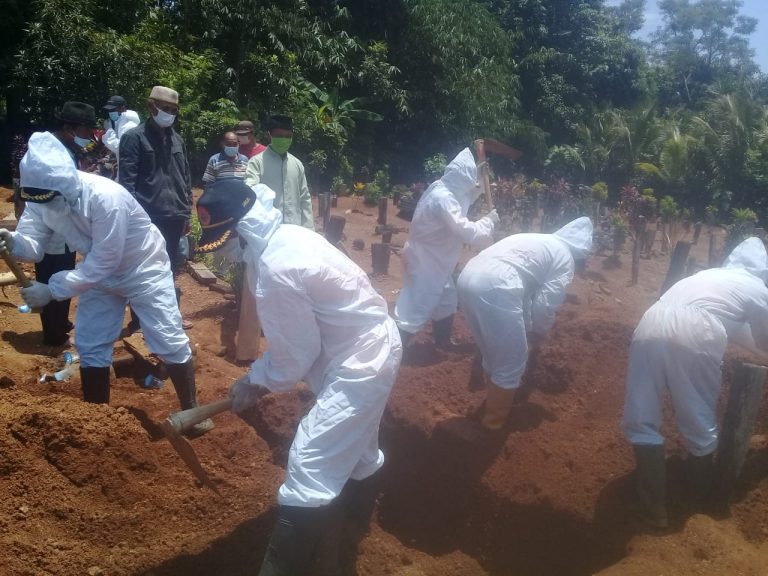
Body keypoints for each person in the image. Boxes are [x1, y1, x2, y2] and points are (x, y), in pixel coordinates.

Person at [195, 178, 402, 575]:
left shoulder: (278, 269)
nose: (226, 251)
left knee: (309, 461)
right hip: (357, 348)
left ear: (243, 230)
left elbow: (292, 361)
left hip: (361, 361)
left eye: (227, 240)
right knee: (358, 449)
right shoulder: (286, 236)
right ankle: (354, 526)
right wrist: (259, 377)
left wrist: (253, 380)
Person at [0, 132, 212, 435]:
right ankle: (96, 422)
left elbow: (105, 260)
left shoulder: (105, 198)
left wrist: (52, 290)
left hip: (142, 267)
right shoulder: (40, 197)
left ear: (66, 184)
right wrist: (14, 241)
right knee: (90, 341)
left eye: (50, 199)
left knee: (166, 336)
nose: (45, 207)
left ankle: (192, 413)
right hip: (98, 272)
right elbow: (33, 244)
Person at [621, 237, 768, 529]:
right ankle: (696, 503)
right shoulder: (758, 289)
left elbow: (731, 324)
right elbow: (764, 339)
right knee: (698, 418)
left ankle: (654, 513)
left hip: (650, 322)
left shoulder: (705, 276)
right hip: (696, 330)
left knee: (641, 416)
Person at [457, 217, 593, 430]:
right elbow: (545, 305)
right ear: (580, 256)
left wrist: (528, 326)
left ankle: (490, 404)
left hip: (467, 277)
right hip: (497, 286)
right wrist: (539, 332)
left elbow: (528, 297)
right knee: (512, 361)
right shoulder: (565, 259)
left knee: (492, 352)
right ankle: (491, 427)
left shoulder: (539, 241)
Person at [394, 147, 498, 349]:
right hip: (426, 261)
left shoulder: (442, 187)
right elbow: (466, 231)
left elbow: (463, 196)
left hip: (435, 259)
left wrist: (478, 180)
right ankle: (395, 350)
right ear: (461, 179)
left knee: (446, 299)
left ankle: (443, 342)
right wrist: (489, 222)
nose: (471, 186)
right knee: (415, 305)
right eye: (469, 181)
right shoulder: (443, 198)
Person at [118, 85, 193, 331]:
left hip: (174, 216)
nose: (170, 114)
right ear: (151, 107)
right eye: (165, 108)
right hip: (147, 218)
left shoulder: (177, 140)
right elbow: (127, 182)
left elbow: (185, 178)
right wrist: (132, 220)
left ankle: (167, 318)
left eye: (174, 110)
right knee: (144, 271)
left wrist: (187, 213)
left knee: (169, 269)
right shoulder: (134, 138)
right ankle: (140, 322)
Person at [244, 113, 314, 229]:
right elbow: (251, 192)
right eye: (279, 135)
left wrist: (309, 228)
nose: (284, 139)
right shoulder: (256, 163)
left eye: (288, 136)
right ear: (269, 135)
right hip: (268, 229)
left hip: (295, 228)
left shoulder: (297, 164)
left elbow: (305, 198)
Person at [101, 95, 140, 170]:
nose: (110, 112)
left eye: (113, 110)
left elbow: (120, 148)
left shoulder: (130, 126)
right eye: (109, 110)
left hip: (130, 169)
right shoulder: (118, 123)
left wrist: (108, 134)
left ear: (123, 108)